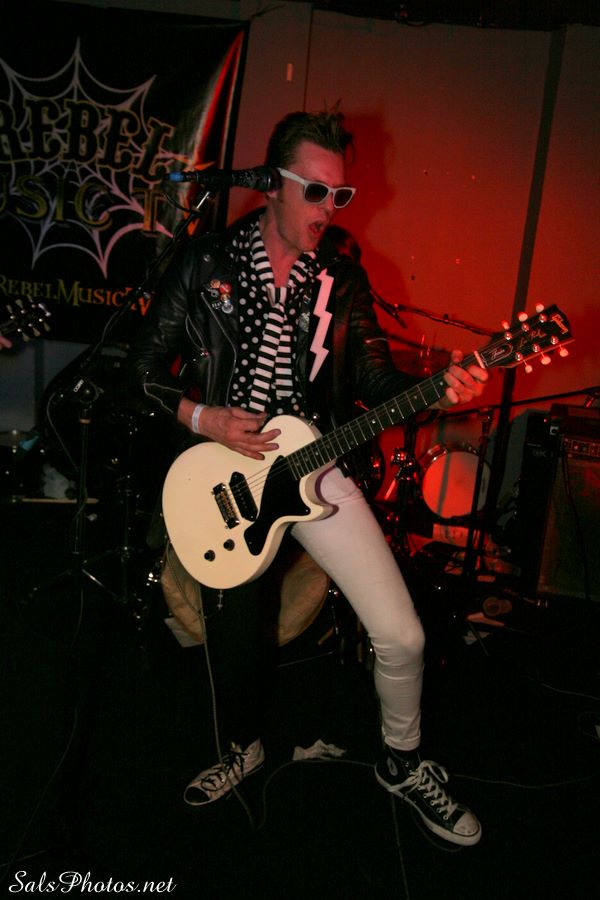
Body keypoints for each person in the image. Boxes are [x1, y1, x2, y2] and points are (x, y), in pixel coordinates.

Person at [130, 110, 488, 847]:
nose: (330, 209)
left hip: (316, 471)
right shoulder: (206, 262)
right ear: (272, 185)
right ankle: (242, 747)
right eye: (316, 191)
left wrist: (439, 390)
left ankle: (402, 760)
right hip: (226, 478)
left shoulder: (342, 280)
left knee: (402, 636)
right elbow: (139, 370)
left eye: (340, 195)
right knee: (233, 639)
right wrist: (203, 416)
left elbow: (377, 381)